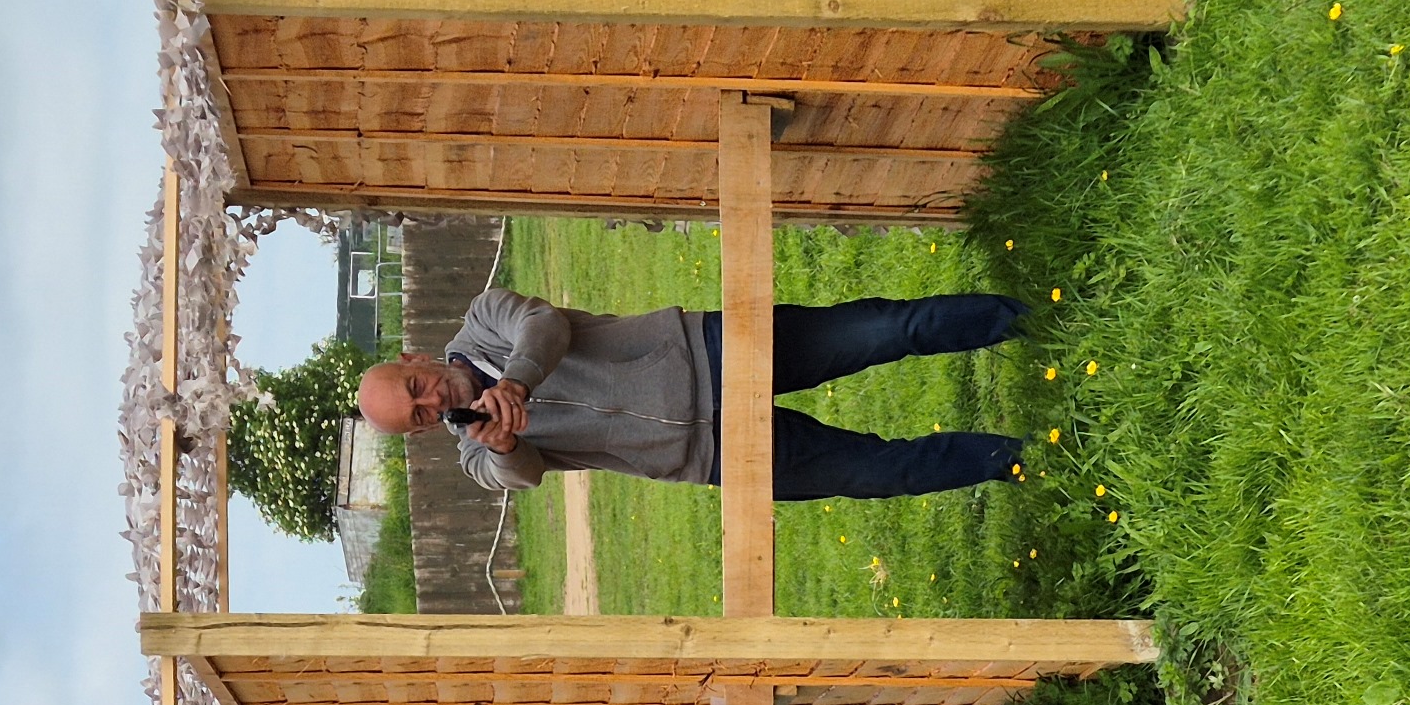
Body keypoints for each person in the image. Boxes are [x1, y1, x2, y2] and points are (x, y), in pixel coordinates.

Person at [354, 288, 1028, 500]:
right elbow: (520, 475)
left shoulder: (483, 318)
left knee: (885, 329)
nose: (430, 403)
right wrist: (505, 444)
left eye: (416, 387)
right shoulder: (477, 455)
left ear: (414, 358)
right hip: (710, 456)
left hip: (708, 350)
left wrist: (517, 381)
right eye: (418, 417)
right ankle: (1019, 458)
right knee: (881, 473)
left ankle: (1027, 319)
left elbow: (544, 324)